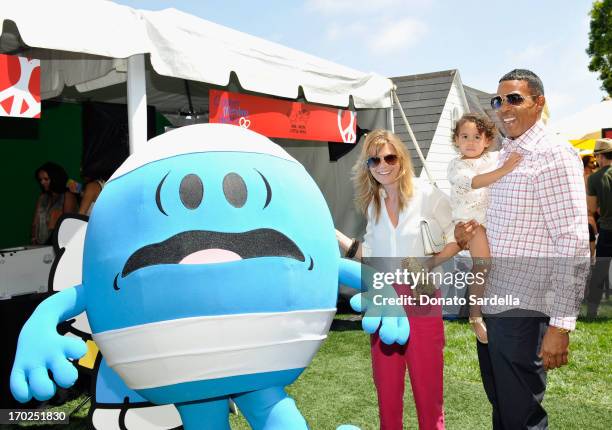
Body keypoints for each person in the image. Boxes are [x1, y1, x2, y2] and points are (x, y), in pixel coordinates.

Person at [455, 69, 589, 429]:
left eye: (514, 98)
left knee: (520, 416)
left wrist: (561, 326)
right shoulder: (502, 156)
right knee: (503, 406)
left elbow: (573, 241)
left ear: (539, 103)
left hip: (525, 308)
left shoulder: (554, 154)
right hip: (495, 303)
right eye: (498, 101)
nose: (503, 108)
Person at [336, 129, 455, 430]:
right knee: (387, 392)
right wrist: (338, 239)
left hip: (422, 296)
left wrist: (426, 265)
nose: (382, 165)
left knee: (428, 392)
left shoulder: (428, 194)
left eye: (389, 157)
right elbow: (372, 256)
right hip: (384, 299)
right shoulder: (374, 204)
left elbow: (457, 238)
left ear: (401, 158)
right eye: (374, 160)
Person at [443, 113, 522, 343]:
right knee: (482, 265)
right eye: (464, 136)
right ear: (456, 140)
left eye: (476, 137)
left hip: (489, 221)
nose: (470, 142)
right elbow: (475, 182)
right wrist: (505, 169)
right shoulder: (456, 165)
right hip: (469, 222)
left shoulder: (492, 158)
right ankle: (475, 315)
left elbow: (511, 149)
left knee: (484, 263)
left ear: (487, 140)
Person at [585, 138, 612, 318]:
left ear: (601, 156)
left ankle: (592, 311)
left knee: (600, 270)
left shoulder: (594, 178)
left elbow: (592, 208)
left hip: (607, 229)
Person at [31, 162, 77, 245]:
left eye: (46, 179)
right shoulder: (42, 197)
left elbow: (68, 223)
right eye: (40, 180)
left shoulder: (67, 195)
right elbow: (35, 222)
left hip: (60, 244)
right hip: (41, 245)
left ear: (55, 178)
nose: (42, 182)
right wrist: (34, 238)